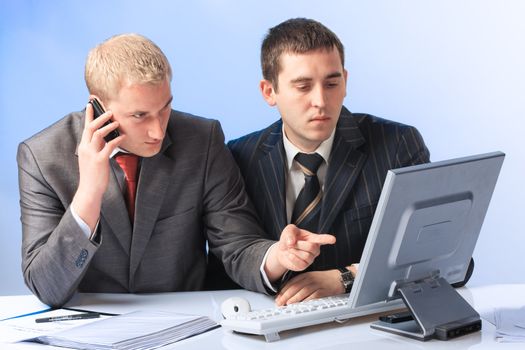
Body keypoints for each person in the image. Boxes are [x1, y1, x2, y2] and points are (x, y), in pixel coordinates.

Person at [17, 33, 335, 308]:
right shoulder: (43, 157)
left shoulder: (202, 140)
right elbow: (47, 288)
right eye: (140, 115)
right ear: (98, 106)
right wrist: (89, 194)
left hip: (186, 325)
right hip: (90, 330)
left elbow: (238, 246)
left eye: (165, 107)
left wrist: (278, 257)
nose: (158, 130)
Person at [227, 18, 434, 306]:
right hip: (270, 324)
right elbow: (229, 257)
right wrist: (278, 255)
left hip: (366, 326)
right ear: (269, 91)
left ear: (345, 82)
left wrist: (347, 278)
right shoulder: (238, 157)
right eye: (303, 87)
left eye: (332, 83)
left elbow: (436, 252)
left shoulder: (398, 145)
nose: (321, 101)